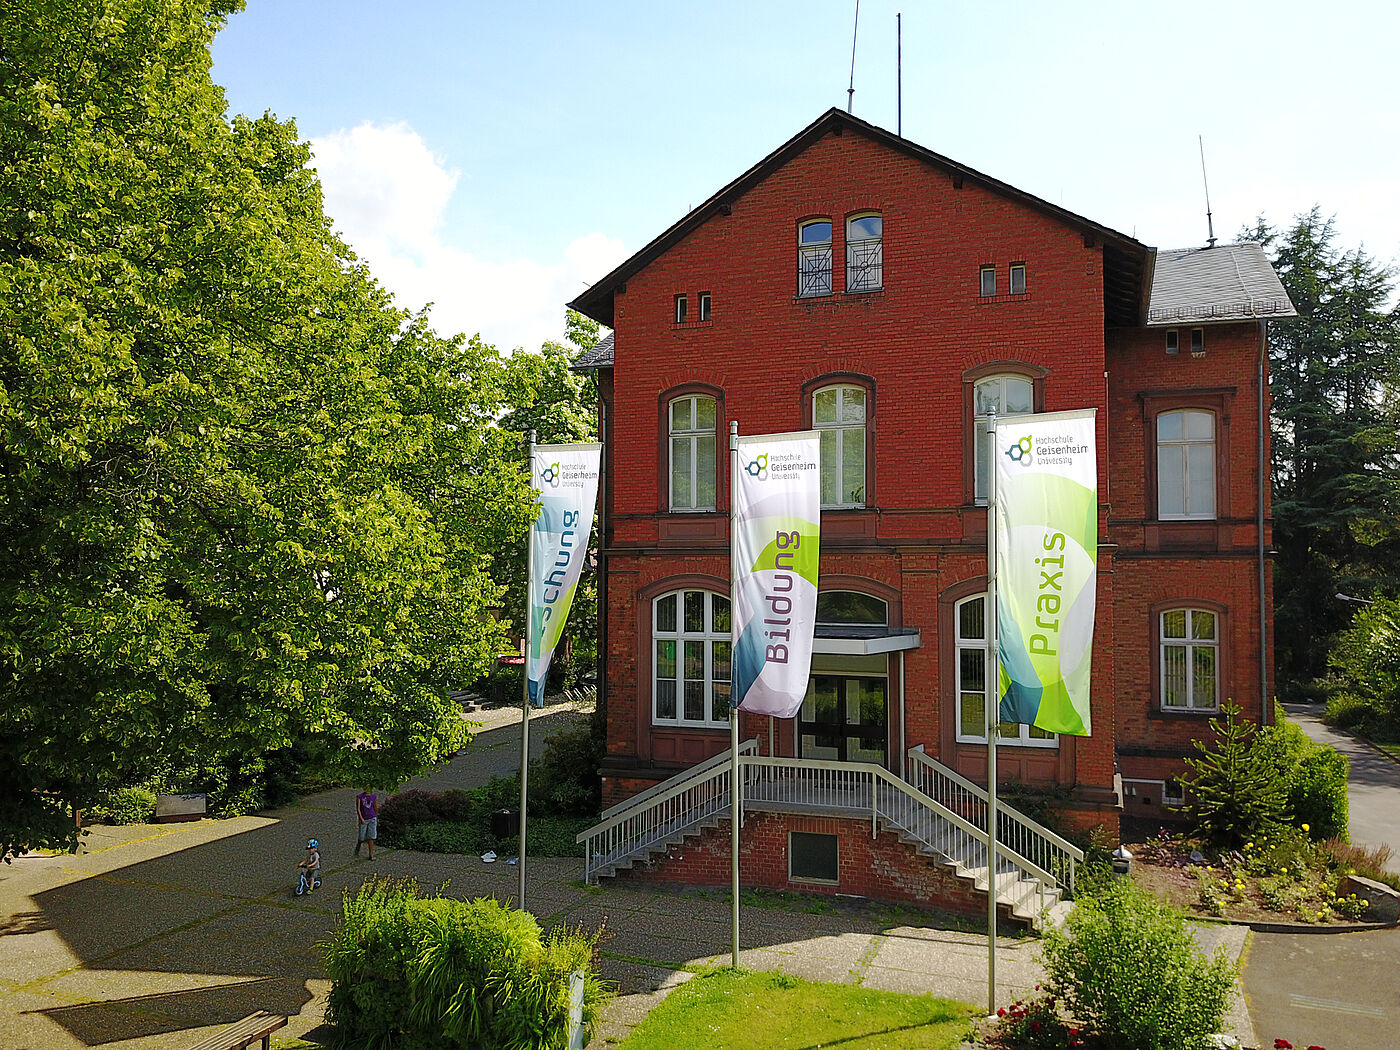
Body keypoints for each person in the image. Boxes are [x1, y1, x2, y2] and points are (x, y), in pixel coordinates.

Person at [355, 788, 378, 860]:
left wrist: (376, 816)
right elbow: (358, 808)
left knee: (371, 837)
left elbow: (375, 806)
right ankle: (358, 845)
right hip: (364, 818)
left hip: (372, 818)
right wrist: (361, 818)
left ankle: (371, 854)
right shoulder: (360, 796)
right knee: (362, 837)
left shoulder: (373, 796)